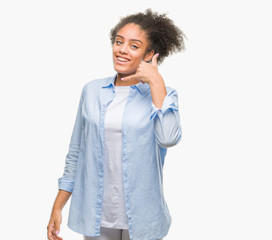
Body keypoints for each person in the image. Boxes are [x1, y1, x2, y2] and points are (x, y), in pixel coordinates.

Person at [47, 8, 186, 240]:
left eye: (134, 45)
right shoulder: (91, 90)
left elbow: (169, 138)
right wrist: (58, 206)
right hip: (96, 214)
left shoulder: (163, 93)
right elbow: (76, 152)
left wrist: (155, 80)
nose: (122, 49)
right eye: (119, 41)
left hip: (144, 216)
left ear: (150, 53)